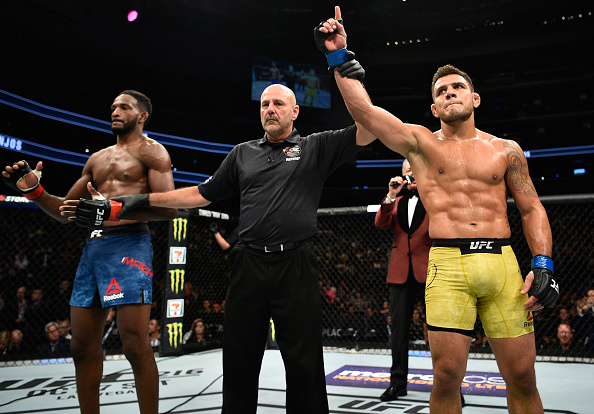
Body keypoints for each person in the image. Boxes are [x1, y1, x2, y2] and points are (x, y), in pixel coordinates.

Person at [315, 7, 559, 413]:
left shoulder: (506, 150)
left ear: (474, 97)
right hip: (446, 264)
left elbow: (532, 208)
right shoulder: (421, 146)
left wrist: (544, 263)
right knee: (446, 378)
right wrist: (339, 57)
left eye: (457, 87)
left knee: (521, 376)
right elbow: (366, 114)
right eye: (441, 90)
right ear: (433, 108)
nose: (449, 93)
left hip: (503, 265)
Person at [86, 83, 376, 413]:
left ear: (295, 112)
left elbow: (368, 128)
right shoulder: (243, 152)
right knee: (239, 359)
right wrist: (140, 200)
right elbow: (202, 194)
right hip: (247, 263)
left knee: (304, 362)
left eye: (279, 104)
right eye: (265, 103)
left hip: (296, 263)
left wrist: (345, 66)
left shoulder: (315, 146)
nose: (270, 109)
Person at [2, 89, 177, 414]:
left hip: (130, 244)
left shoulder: (154, 153)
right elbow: (67, 210)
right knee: (82, 347)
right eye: (112, 106)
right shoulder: (96, 159)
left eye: (124, 107)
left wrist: (113, 210)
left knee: (134, 344)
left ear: (142, 116)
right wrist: (35, 192)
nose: (115, 111)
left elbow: (168, 208)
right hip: (94, 248)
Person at [374, 160, 431, 401]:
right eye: (407, 168)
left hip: (430, 272)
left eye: (415, 167)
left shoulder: (433, 197)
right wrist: (390, 195)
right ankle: (397, 383)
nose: (410, 171)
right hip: (399, 273)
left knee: (440, 332)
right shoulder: (395, 201)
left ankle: (448, 387)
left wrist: (427, 190)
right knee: (398, 331)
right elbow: (381, 223)